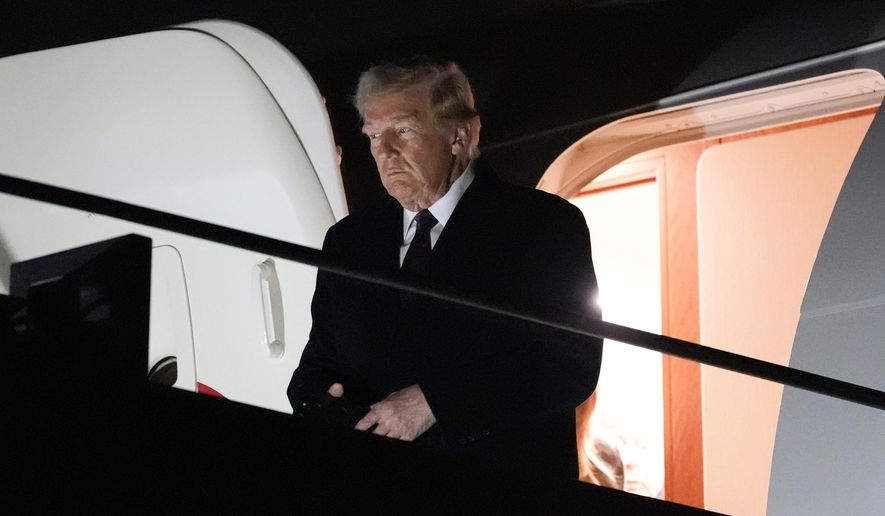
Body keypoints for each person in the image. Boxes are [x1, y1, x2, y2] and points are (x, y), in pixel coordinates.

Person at [287, 56, 602, 479]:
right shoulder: (349, 241)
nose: (384, 151)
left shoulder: (542, 225)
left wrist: (434, 404)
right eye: (373, 135)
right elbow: (315, 368)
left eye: (402, 130)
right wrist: (324, 406)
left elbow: (569, 363)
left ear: (460, 135)